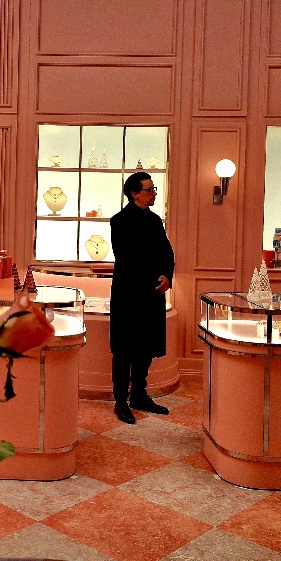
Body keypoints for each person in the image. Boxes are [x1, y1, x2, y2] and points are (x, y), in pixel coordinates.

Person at [109, 172, 174, 424]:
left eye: (154, 189)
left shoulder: (155, 220)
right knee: (124, 348)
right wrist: (153, 276)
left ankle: (139, 394)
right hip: (128, 294)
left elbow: (167, 252)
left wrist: (167, 275)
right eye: (149, 190)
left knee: (145, 347)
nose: (154, 193)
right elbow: (127, 257)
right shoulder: (120, 221)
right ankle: (121, 401)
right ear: (134, 194)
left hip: (152, 294)